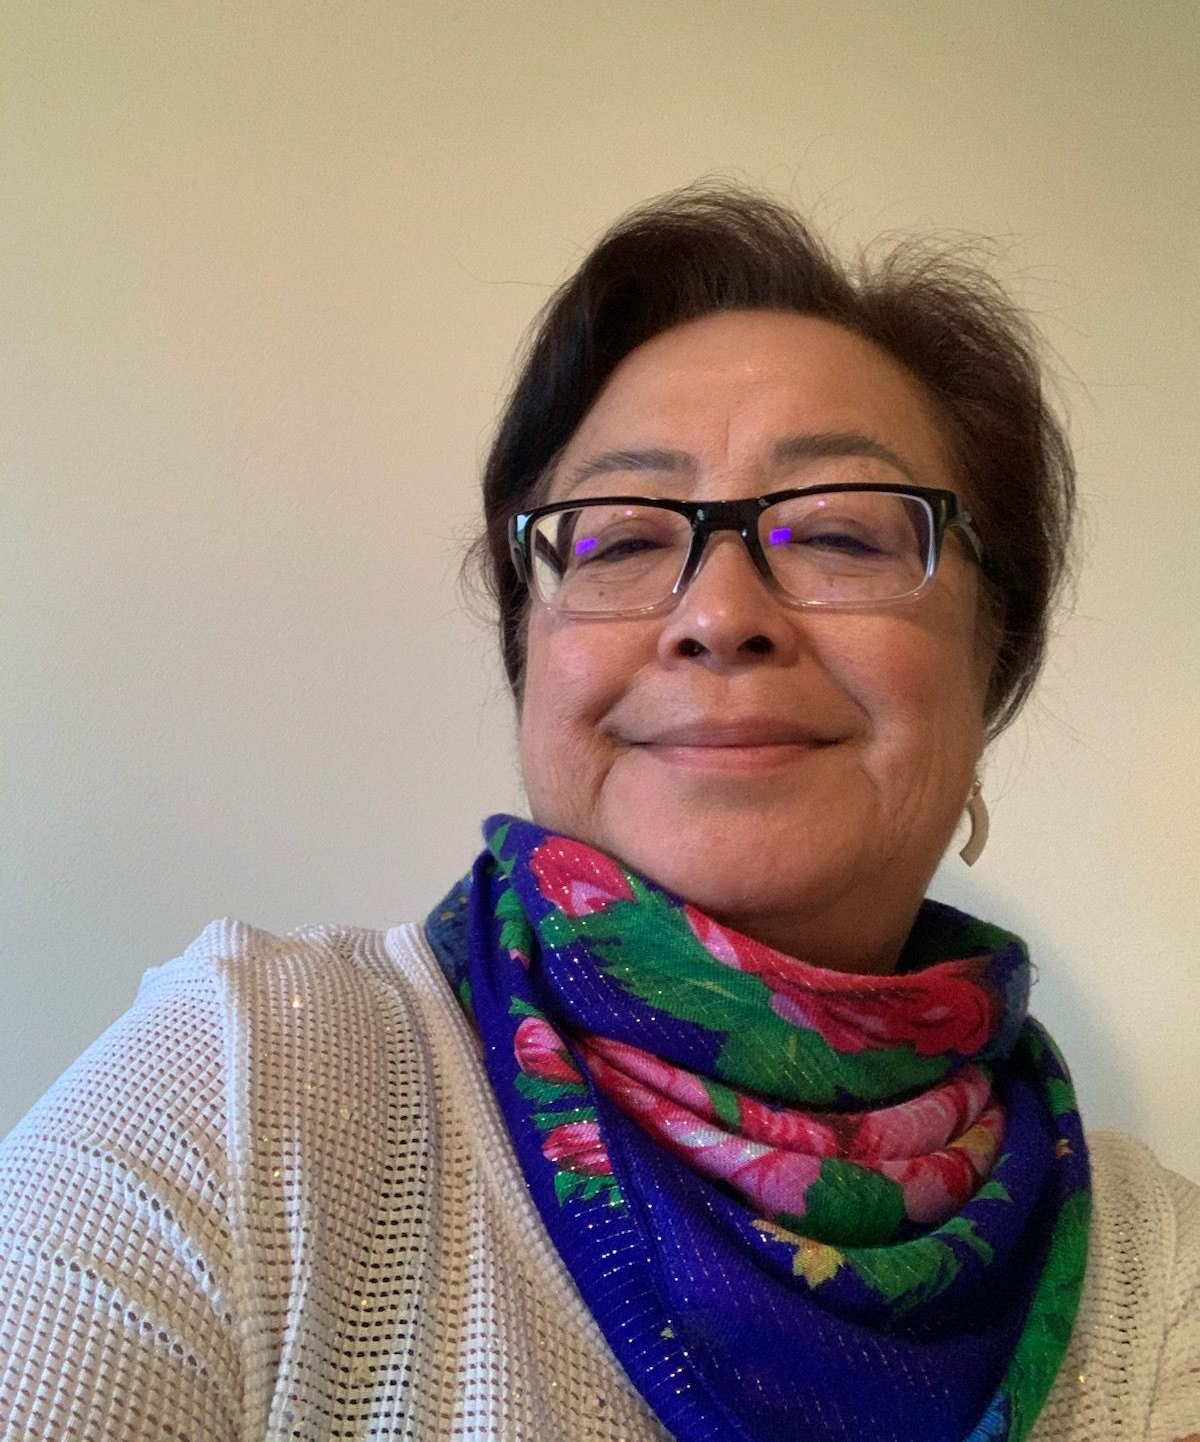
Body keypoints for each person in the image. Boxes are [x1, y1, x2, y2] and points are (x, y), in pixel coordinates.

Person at [0, 188, 1196, 1442]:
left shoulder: (1154, 1269)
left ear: (990, 666)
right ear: (532, 653)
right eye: (620, 540)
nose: (719, 609)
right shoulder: (258, 1087)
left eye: (840, 530)